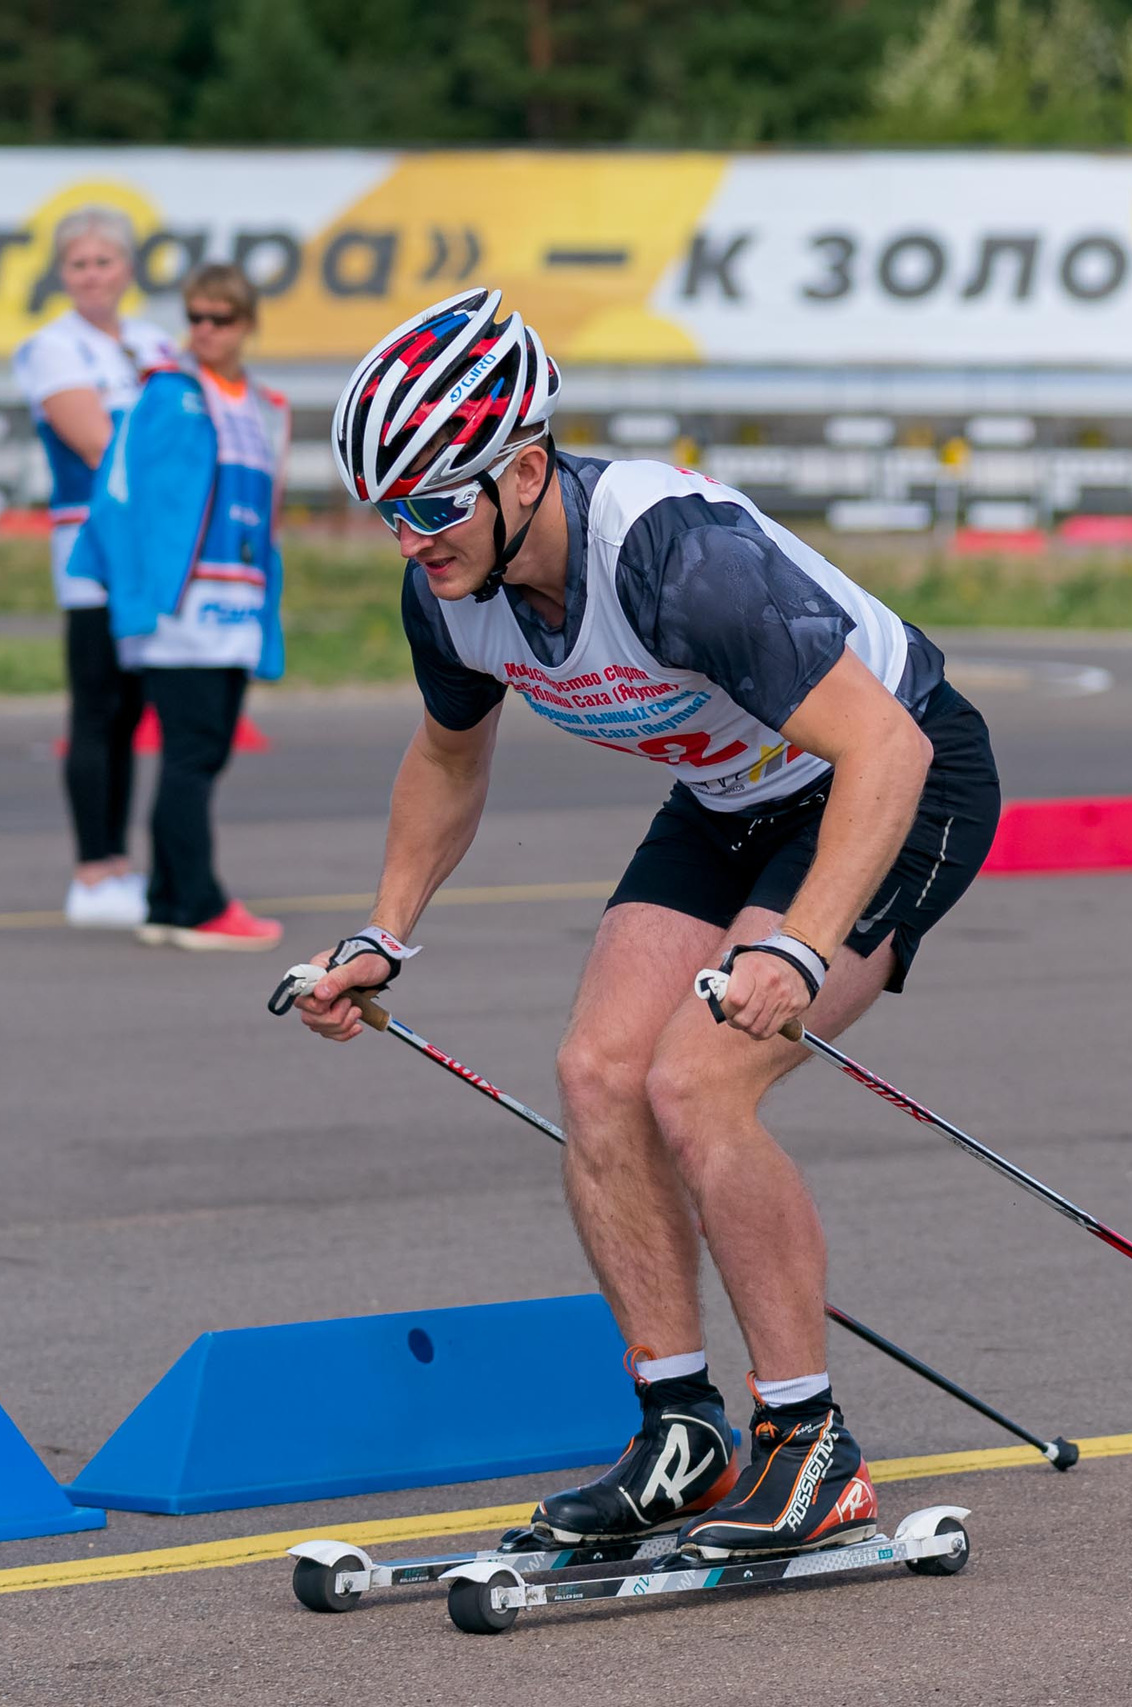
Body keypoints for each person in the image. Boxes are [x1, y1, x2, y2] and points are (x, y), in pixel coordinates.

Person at [290, 288, 1000, 1558]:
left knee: (697, 1083)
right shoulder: (453, 589)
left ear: (520, 468)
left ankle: (810, 1446)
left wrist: (794, 946)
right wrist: (383, 933)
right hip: (735, 794)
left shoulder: (675, 555)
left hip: (895, 777)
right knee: (598, 1073)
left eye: (434, 503)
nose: (410, 538)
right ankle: (680, 1430)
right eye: (384, 511)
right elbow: (449, 758)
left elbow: (883, 748)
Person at [77, 262, 288, 952]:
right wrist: (136, 597)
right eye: (195, 316)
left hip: (235, 606)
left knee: (203, 754)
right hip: (182, 610)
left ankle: (169, 898)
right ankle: (198, 902)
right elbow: (126, 501)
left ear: (246, 325)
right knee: (191, 755)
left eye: (219, 319)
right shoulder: (170, 393)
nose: (204, 330)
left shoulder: (263, 406)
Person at [12, 205, 177, 930]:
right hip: (92, 546)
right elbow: (97, 443)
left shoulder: (156, 341)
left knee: (137, 706)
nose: (92, 275)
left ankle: (121, 864)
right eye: (78, 264)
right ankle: (93, 866)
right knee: (96, 703)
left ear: (127, 268)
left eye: (104, 262)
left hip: (156, 545)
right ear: (62, 273)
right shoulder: (52, 348)